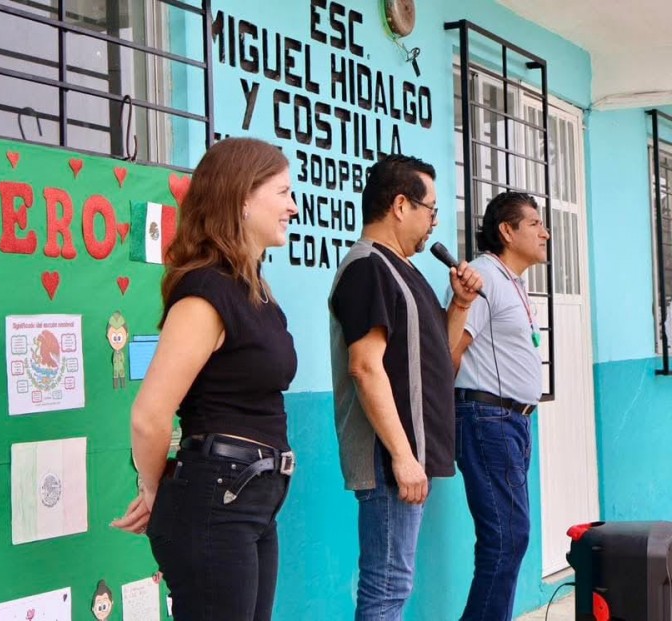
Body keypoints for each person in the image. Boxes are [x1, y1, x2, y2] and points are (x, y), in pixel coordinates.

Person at [112, 137, 299, 621]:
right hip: (218, 499)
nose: (293, 207)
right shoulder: (205, 293)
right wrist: (154, 491)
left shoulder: (255, 291)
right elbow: (150, 416)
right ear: (242, 198)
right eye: (283, 192)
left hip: (254, 497)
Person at [328, 154, 483, 621]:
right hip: (389, 459)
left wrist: (460, 305)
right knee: (387, 588)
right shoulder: (367, 267)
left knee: (394, 585)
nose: (434, 223)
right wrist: (401, 455)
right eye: (431, 209)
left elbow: (438, 358)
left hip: (407, 458)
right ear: (400, 205)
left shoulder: (403, 270)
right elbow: (364, 367)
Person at [451, 192, 550, 621]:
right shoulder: (484, 278)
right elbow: (451, 352)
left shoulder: (512, 281)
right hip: (487, 418)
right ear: (507, 231)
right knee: (506, 537)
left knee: (508, 538)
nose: (545, 233)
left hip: (512, 422)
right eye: (535, 224)